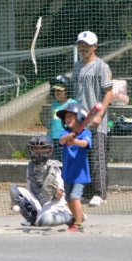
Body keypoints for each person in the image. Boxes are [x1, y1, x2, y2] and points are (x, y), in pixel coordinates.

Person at [72, 31, 114, 207]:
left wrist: (99, 115)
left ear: (95, 46)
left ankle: (100, 193)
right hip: (80, 123)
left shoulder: (101, 66)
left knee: (98, 157)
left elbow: (109, 93)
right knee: (83, 159)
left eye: (87, 45)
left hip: (96, 122)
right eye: (81, 45)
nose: (83, 48)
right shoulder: (76, 66)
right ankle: (87, 192)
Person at [9, 135, 73, 227]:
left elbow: (59, 195)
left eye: (43, 148)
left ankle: (69, 215)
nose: (38, 151)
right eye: (35, 148)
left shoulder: (53, 167)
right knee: (14, 191)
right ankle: (34, 219)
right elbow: (30, 190)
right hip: (38, 203)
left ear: (50, 150)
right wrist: (19, 201)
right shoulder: (30, 166)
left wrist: (51, 188)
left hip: (54, 204)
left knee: (44, 220)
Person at [56, 103, 92, 233]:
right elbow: (61, 141)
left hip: (80, 174)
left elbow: (85, 143)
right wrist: (68, 138)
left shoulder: (85, 133)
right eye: (66, 116)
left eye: (71, 115)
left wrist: (75, 141)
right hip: (67, 173)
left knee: (76, 197)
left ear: (80, 117)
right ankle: (78, 217)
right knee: (68, 199)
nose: (68, 118)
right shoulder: (65, 132)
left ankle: (78, 224)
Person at [48, 75, 76, 162]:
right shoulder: (54, 104)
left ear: (67, 90)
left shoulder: (72, 103)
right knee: (54, 162)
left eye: (60, 90)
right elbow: (52, 121)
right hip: (54, 138)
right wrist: (48, 136)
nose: (57, 93)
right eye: (55, 90)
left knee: (65, 161)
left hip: (66, 138)